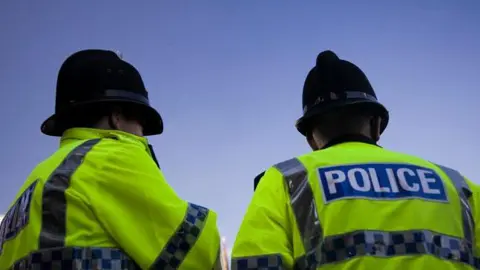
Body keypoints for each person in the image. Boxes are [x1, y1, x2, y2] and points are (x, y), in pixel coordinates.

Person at [231, 50, 480, 269]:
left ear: (310, 138)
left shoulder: (286, 180)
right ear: (377, 123)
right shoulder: (457, 185)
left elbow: (255, 264)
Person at [0, 49, 222, 270]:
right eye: (141, 124)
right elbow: (193, 254)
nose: (142, 135)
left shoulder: (34, 183)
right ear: (116, 118)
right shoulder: (109, 156)